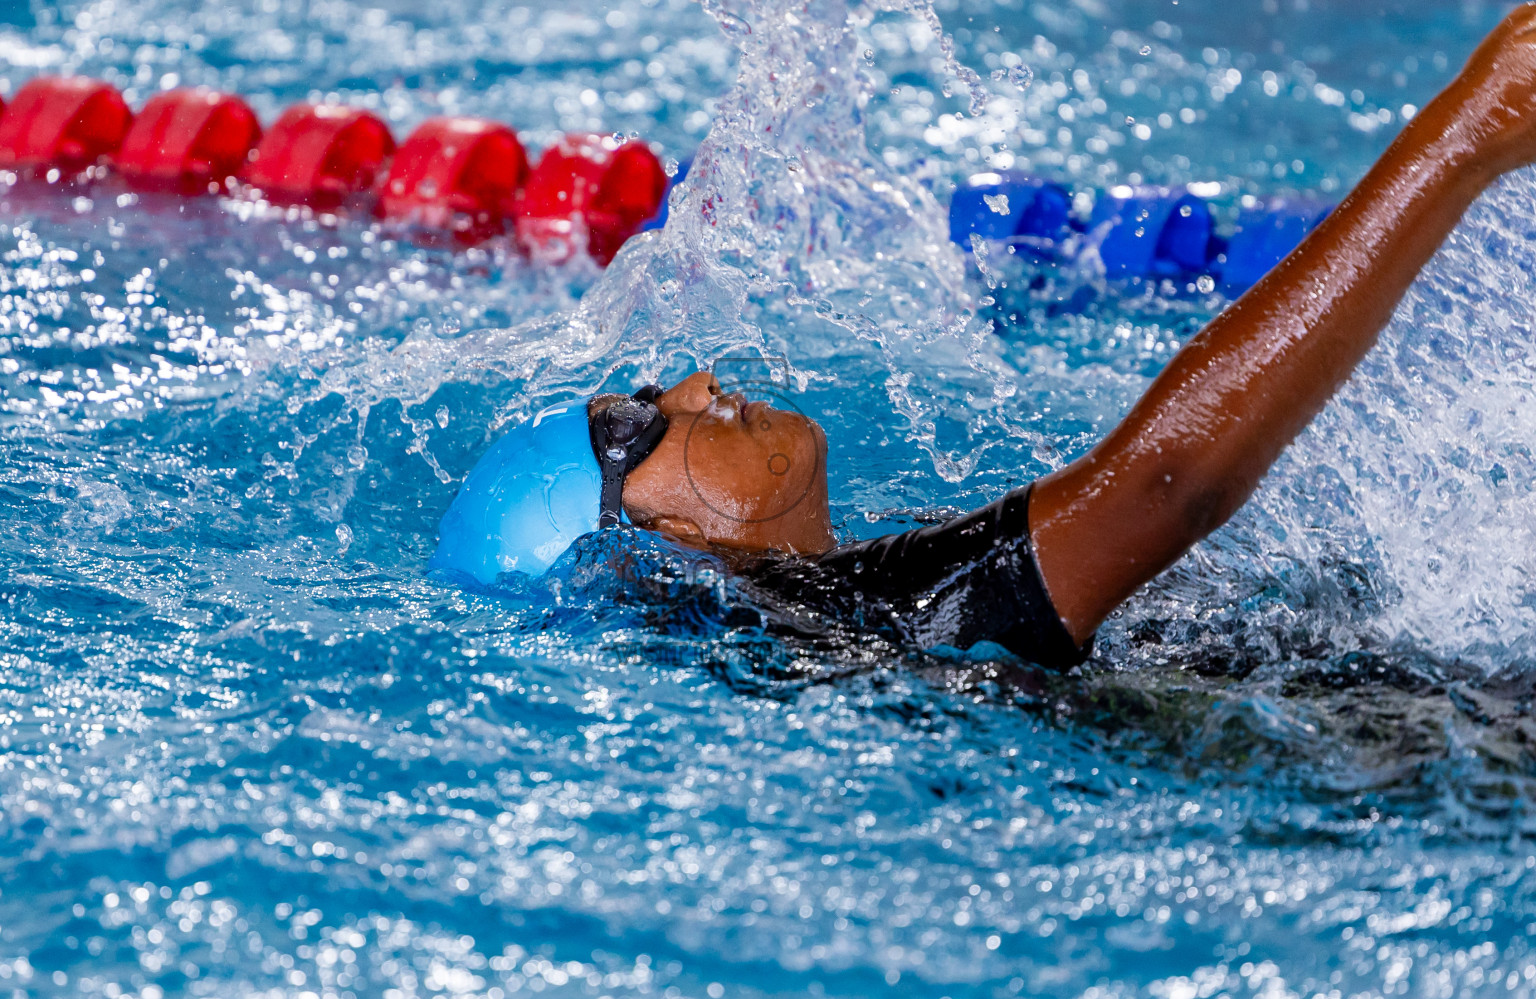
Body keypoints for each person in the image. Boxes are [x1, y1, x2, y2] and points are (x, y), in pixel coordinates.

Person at [433, 5, 1536, 670]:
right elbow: (1164, 480)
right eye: (634, 426)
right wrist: (1469, 132)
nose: (694, 382)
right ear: (658, 545)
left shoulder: (868, 606)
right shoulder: (871, 622)